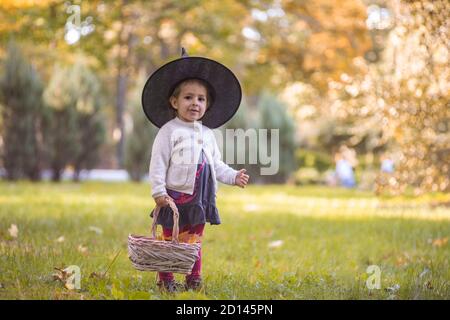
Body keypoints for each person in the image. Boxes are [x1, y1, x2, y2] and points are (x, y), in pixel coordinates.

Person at [142, 48, 250, 293]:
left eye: (201, 99)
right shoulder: (168, 131)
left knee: (194, 241)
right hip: (174, 197)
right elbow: (157, 163)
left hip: (200, 199)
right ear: (174, 102)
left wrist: (233, 176)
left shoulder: (207, 134)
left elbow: (216, 164)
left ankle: (194, 277)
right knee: (170, 239)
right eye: (188, 97)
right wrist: (158, 192)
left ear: (207, 104)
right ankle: (166, 278)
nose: (195, 103)